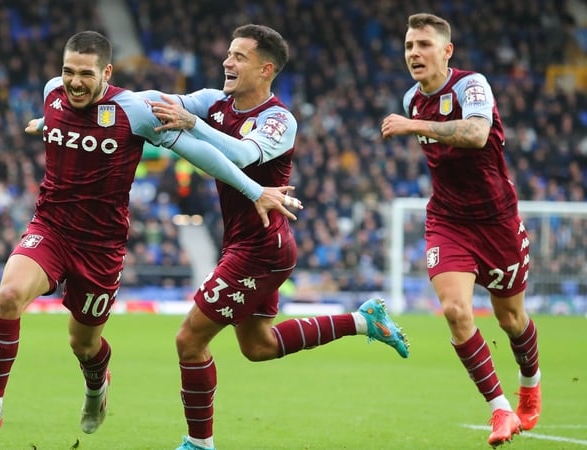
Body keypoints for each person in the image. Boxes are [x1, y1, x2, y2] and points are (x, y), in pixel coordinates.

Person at [0, 30, 302, 444]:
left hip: (101, 247)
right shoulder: (51, 94)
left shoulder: (133, 111)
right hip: (49, 228)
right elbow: (70, 117)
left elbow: (200, 154)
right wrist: (47, 123)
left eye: (85, 74)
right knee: (10, 295)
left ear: (107, 73)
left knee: (84, 344)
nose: (74, 82)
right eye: (68, 72)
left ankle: (97, 383)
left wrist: (254, 190)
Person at [145, 24, 409, 450]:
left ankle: (199, 444)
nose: (227, 62)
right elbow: (162, 102)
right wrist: (109, 96)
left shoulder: (278, 119)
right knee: (259, 346)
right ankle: (364, 320)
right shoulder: (214, 101)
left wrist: (192, 124)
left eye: (239, 57)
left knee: (189, 340)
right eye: (228, 54)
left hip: (262, 248)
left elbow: (242, 154)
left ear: (266, 69)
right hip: (245, 243)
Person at [381, 13, 541, 448]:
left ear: (446, 51)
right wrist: (415, 120)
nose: (414, 53)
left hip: (497, 220)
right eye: (409, 45)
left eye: (424, 45)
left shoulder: (471, 85)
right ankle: (501, 409)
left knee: (511, 319)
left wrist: (415, 125)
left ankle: (530, 384)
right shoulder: (412, 98)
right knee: (455, 311)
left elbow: (476, 133)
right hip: (448, 220)